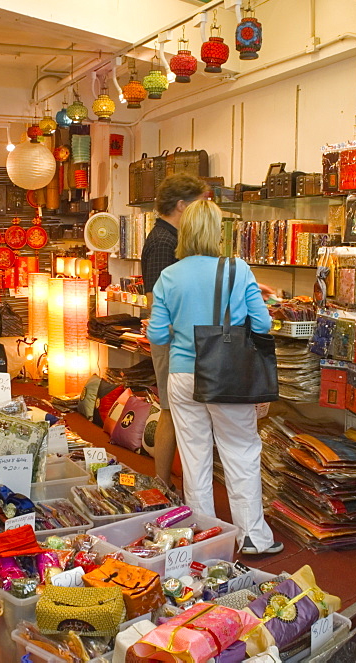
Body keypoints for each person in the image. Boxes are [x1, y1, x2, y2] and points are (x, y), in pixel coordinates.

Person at [147, 200, 283, 555]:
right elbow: (264, 325)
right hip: (226, 373)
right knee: (240, 452)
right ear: (217, 233)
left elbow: (158, 336)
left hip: (182, 375)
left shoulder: (168, 276)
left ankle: (204, 535)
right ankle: (252, 536)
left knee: (193, 456)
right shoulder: (237, 270)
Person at [141, 173, 208, 488]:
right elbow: (158, 299)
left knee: (177, 409)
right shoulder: (162, 241)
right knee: (169, 410)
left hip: (179, 336)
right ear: (181, 205)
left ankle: (167, 483)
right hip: (171, 337)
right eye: (197, 204)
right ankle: (162, 483)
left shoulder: (172, 239)